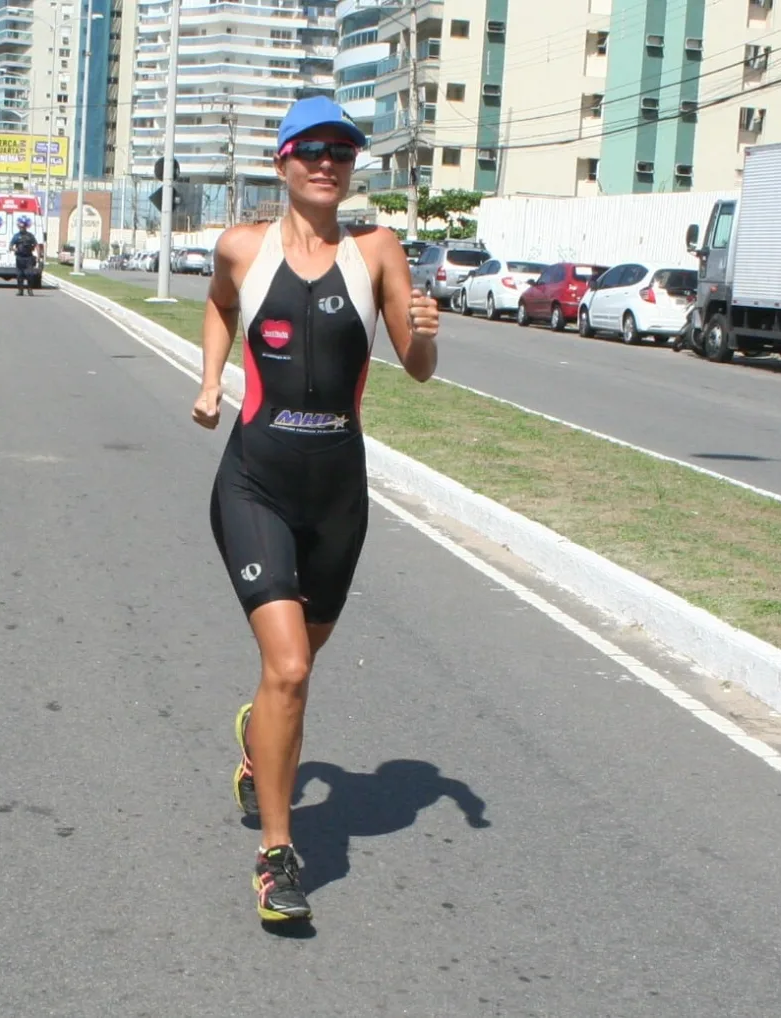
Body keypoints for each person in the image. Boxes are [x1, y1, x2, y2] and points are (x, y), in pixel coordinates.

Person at [191, 95, 440, 924]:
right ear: (283, 161)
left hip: (338, 494)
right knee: (290, 668)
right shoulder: (242, 247)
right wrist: (209, 381)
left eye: (342, 151)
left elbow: (418, 367)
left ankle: (254, 729)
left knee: (294, 668)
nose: (327, 163)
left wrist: (429, 330)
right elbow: (222, 304)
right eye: (312, 150)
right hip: (255, 481)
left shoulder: (377, 252)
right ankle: (277, 855)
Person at [9, 216, 38, 296]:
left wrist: (39, 255)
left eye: (23, 227)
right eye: (20, 227)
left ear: (26, 227)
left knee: (30, 274)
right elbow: (10, 246)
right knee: (19, 275)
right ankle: (20, 291)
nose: (22, 228)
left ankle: (30, 290)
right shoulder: (16, 236)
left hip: (28, 258)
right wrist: (15, 250)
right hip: (19, 258)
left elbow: (36, 245)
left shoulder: (30, 236)